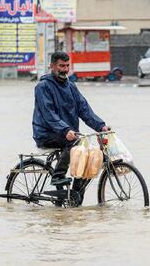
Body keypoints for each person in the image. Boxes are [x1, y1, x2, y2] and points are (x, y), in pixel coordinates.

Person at [32, 51, 109, 195]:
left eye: (67, 66)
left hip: (67, 134)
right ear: (52, 67)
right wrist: (65, 130)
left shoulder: (71, 86)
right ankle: (58, 175)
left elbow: (84, 110)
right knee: (76, 142)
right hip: (46, 133)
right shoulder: (43, 87)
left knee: (86, 151)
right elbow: (49, 115)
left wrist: (101, 126)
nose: (65, 69)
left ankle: (75, 194)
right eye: (61, 66)